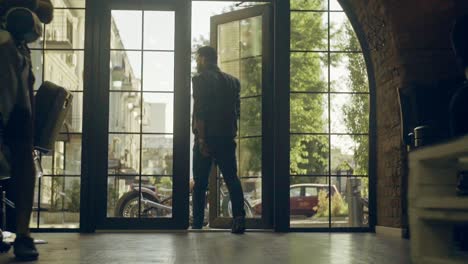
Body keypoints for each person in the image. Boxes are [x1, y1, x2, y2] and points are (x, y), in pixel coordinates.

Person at [0, 0, 53, 260]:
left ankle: (22, 233)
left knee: (22, 151)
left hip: (12, 62)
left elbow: (47, 12)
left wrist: (29, 4)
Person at [192, 46, 245, 234]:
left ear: (204, 59)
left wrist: (201, 140)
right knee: (232, 179)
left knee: (200, 184)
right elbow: (236, 112)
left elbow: (200, 111)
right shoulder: (234, 82)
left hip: (207, 137)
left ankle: (197, 223)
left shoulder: (199, 80)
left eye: (197, 59)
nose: (196, 62)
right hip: (226, 138)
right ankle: (239, 219)